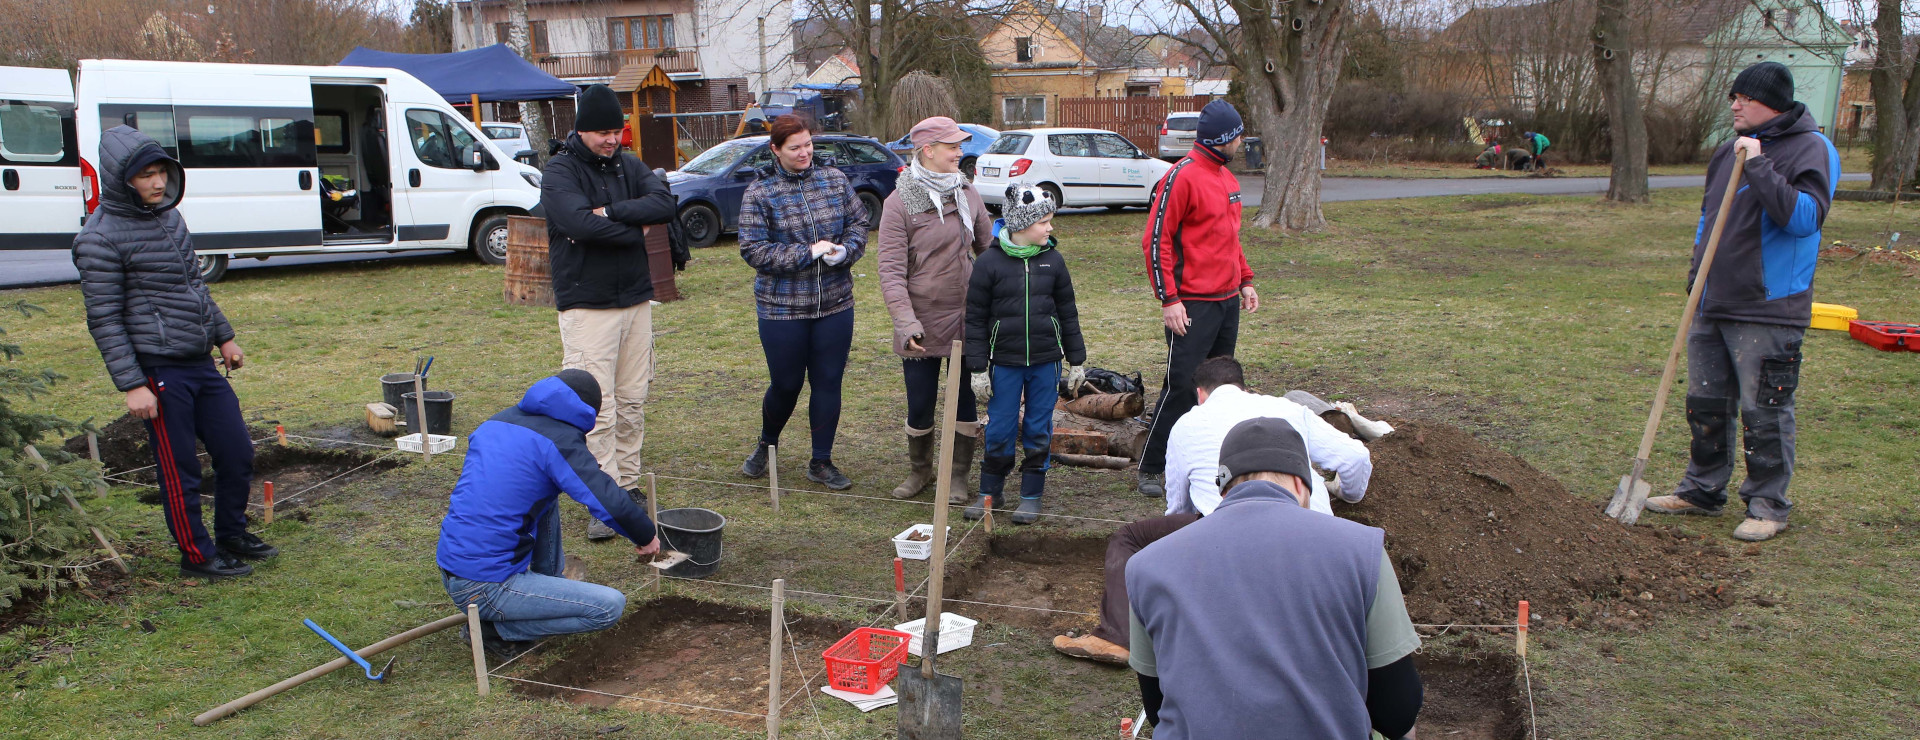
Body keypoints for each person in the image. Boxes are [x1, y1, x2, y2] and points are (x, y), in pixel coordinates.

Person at [1052, 357, 1374, 664]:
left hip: (1228, 533)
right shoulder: (1289, 410)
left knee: (1129, 538)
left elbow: (1178, 505)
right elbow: (1356, 458)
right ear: (1244, 387)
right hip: (1314, 529)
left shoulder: (1188, 423)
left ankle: (1116, 637)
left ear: (1200, 394)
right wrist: (1346, 496)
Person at [1128, 418, 1422, 739]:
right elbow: (1397, 712)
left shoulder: (1147, 565)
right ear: (1300, 483)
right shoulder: (1362, 550)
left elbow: (1157, 707)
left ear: (1224, 489)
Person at [1643, 61, 1838, 543]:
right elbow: (1708, 218)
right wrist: (1697, 278)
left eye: (1744, 98)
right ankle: (1702, 490)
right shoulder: (1728, 149)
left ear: (1773, 103)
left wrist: (1759, 164)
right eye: (1733, 96)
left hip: (1768, 305)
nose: (1734, 105)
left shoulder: (1812, 148)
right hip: (1713, 300)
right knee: (1705, 403)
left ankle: (1768, 505)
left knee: (1765, 409)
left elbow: (1804, 218)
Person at [72, 126, 270, 581]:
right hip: (157, 369)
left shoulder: (169, 217)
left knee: (236, 450)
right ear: (122, 179)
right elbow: (104, 319)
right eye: (146, 175)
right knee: (180, 469)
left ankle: (232, 534)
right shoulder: (98, 238)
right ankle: (197, 556)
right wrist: (133, 384)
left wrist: (224, 337)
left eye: (161, 172)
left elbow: (194, 286)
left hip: (199, 361)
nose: (158, 182)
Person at [437, 370, 661, 660]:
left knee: (545, 495)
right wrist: (646, 536)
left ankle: (545, 583)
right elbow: (607, 499)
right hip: (486, 585)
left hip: (453, 566)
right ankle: (493, 631)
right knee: (609, 606)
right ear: (589, 413)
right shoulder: (559, 441)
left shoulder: (497, 422)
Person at [541, 84, 678, 541]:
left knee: (633, 398)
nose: (611, 140)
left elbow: (664, 203)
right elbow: (576, 223)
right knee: (596, 407)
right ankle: (603, 500)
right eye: (603, 133)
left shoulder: (627, 163)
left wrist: (612, 212)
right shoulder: (560, 170)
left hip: (635, 298)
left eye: (617, 132)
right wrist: (633, 229)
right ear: (582, 130)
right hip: (587, 304)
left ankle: (629, 485)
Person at [737, 114, 869, 490]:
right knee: (786, 384)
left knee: (828, 381)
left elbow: (859, 224)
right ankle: (767, 444)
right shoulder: (760, 192)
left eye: (808, 144)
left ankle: (821, 461)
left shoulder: (834, 179)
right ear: (775, 150)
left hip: (835, 303)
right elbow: (753, 249)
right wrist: (806, 253)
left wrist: (845, 251)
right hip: (782, 308)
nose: (804, 152)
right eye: (794, 147)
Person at [1137, 98, 1259, 498]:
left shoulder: (1228, 179)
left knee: (1221, 387)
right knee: (1183, 386)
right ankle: (1152, 466)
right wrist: (1169, 299)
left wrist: (1245, 279)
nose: (1241, 141)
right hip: (1191, 304)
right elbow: (1155, 241)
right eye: (1238, 135)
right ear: (1223, 138)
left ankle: (1210, 461)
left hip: (1226, 301)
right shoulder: (1182, 177)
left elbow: (1230, 238)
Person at [876, 116, 993, 503]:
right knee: (920, 402)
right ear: (928, 150)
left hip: (967, 318)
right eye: (952, 147)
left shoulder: (967, 192)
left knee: (964, 399)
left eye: (960, 146)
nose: (960, 153)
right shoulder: (899, 203)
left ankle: (957, 476)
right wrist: (906, 323)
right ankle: (920, 471)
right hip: (921, 322)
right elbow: (891, 272)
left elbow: (988, 251)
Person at [961, 184, 1085, 525]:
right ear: (1020, 224)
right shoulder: (988, 263)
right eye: (1043, 222)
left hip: (1046, 362)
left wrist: (1076, 361)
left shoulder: (1053, 261)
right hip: (1004, 363)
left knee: (1038, 427)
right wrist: (978, 368)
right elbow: (975, 319)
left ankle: (1031, 496)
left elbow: (1068, 313)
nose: (1050, 227)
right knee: (999, 428)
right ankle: (990, 492)